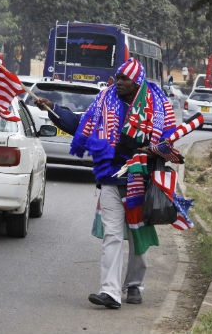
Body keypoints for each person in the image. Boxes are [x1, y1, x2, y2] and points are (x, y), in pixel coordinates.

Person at [35, 59, 176, 309]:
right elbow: (82, 124)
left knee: (137, 236)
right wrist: (53, 109)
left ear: (137, 82)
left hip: (141, 179)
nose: (118, 82)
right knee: (111, 234)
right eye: (118, 77)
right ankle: (110, 292)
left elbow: (168, 143)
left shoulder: (159, 106)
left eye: (124, 79)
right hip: (111, 178)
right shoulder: (104, 101)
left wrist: (150, 149)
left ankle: (134, 285)